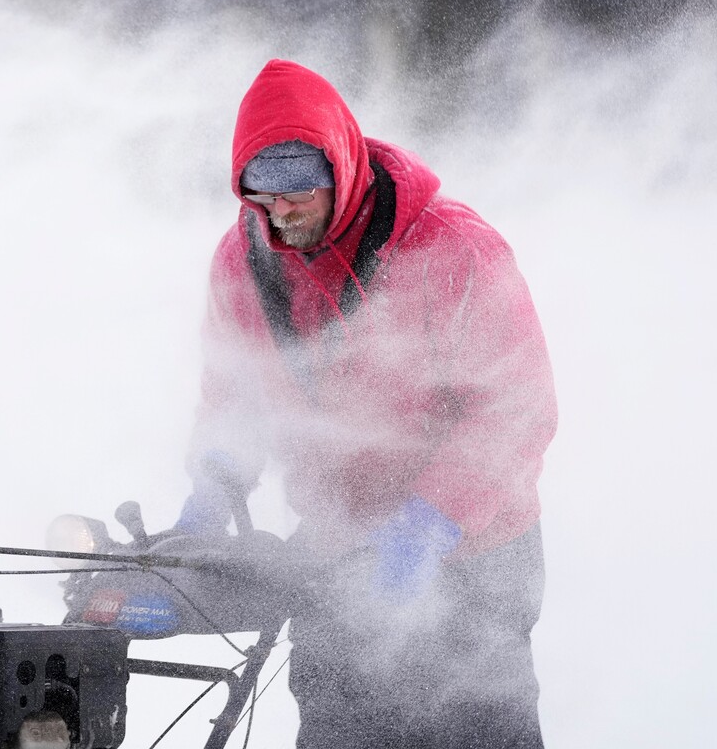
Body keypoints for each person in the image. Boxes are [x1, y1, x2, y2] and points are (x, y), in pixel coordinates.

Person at [175, 59, 557, 748]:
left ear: (341, 171)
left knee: (474, 728)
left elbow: (515, 408)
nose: (280, 214)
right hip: (333, 551)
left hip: (475, 555)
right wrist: (213, 482)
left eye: (299, 193)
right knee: (341, 729)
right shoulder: (243, 259)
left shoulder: (451, 248)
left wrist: (429, 523)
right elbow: (234, 394)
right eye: (261, 196)